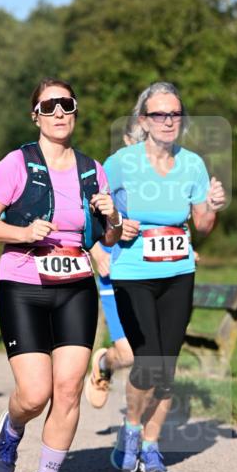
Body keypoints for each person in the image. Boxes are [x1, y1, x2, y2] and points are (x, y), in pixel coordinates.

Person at [0, 79, 122, 472]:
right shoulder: (16, 164)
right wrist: (22, 232)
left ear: (75, 111)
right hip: (23, 283)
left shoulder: (93, 169)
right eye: (49, 105)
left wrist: (111, 219)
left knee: (69, 388)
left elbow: (107, 236)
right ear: (35, 114)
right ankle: (13, 429)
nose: (59, 112)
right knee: (35, 394)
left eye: (67, 104)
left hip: (75, 283)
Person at [104, 81, 225, 472]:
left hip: (178, 272)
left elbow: (203, 225)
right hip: (132, 272)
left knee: (167, 367)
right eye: (159, 114)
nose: (168, 120)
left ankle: (153, 444)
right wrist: (117, 225)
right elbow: (98, 217)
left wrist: (213, 205)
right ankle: (131, 429)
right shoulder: (121, 162)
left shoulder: (193, 164)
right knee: (148, 361)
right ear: (143, 120)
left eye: (174, 113)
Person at [84, 116, 142, 409]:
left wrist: (184, 245)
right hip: (115, 269)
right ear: (128, 141)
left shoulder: (163, 173)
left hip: (154, 271)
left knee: (155, 352)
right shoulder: (111, 169)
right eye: (142, 141)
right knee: (131, 354)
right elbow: (84, 216)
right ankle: (105, 362)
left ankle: (142, 431)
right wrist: (96, 252)